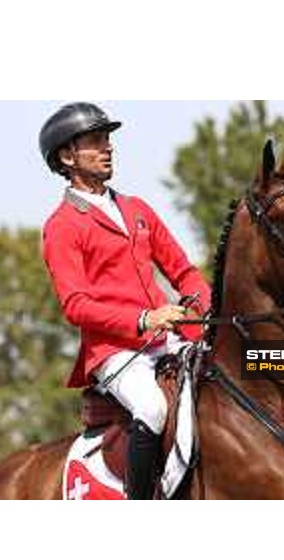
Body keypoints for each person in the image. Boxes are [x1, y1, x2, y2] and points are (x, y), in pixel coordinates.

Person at [39, 103, 211, 499]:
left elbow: (183, 273)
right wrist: (144, 319)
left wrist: (209, 310)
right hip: (115, 352)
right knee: (152, 408)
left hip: (169, 337)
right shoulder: (62, 226)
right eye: (96, 141)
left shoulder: (137, 209)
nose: (108, 148)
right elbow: (75, 305)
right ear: (68, 156)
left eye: (108, 139)